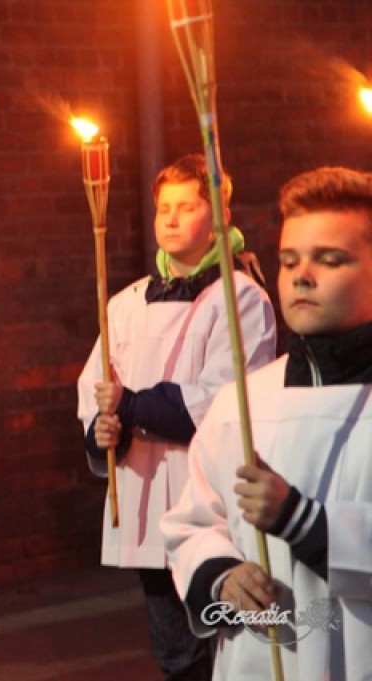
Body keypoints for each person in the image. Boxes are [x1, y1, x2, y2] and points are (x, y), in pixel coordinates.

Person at [162, 166, 372, 680]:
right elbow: (193, 522)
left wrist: (303, 522)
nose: (302, 275)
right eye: (289, 260)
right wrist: (219, 575)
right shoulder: (243, 400)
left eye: (330, 260)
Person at [76, 153, 278, 680]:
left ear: (219, 216)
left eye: (186, 207)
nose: (170, 218)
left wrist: (132, 405)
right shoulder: (123, 303)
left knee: (231, 647)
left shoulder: (240, 299)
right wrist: (102, 431)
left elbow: (223, 401)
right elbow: (96, 389)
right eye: (163, 207)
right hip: (144, 497)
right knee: (175, 656)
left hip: (206, 501)